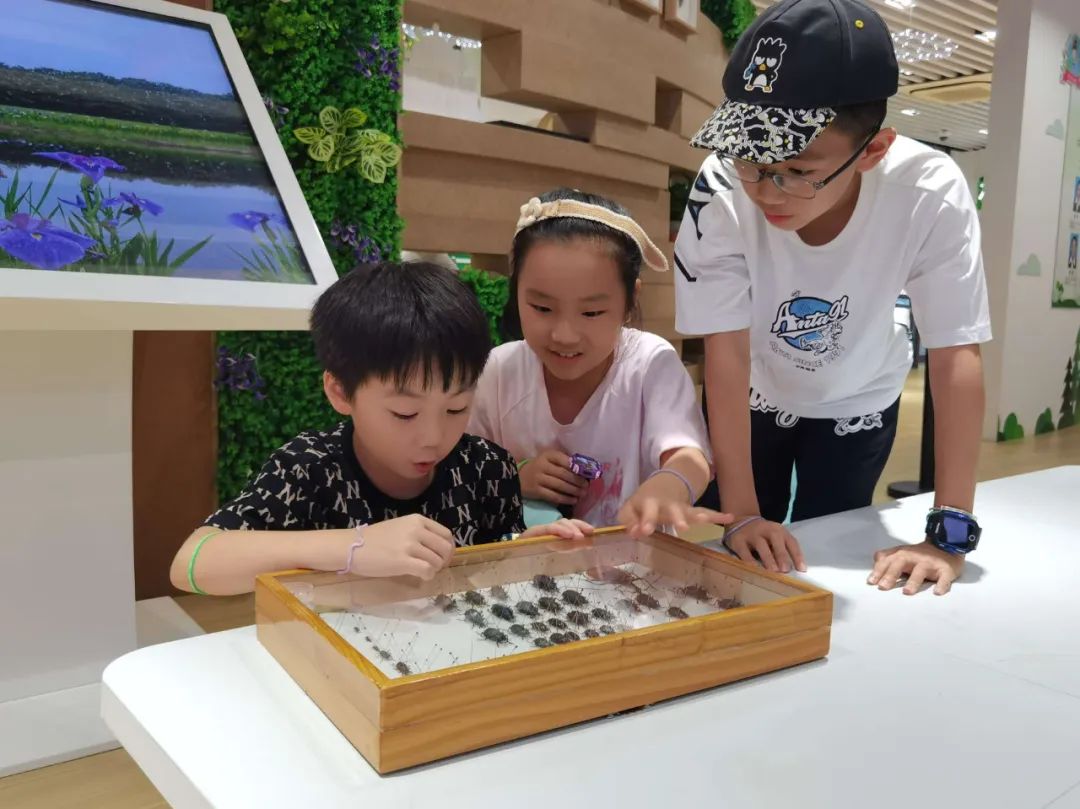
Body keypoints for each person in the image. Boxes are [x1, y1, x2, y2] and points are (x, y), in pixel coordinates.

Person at [675, 0, 990, 595]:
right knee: (742, 561)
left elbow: (955, 352)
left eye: (797, 169)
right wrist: (741, 513)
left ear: (873, 149)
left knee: (833, 549)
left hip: (861, 394)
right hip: (754, 390)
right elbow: (726, 349)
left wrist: (949, 535)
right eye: (751, 158)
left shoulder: (930, 191)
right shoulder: (721, 185)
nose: (766, 189)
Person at [171, 261, 591, 596]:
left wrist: (528, 550)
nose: (433, 438)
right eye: (404, 413)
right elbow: (192, 563)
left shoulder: (486, 468)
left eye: (456, 408)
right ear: (340, 392)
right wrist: (354, 546)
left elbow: (486, 573)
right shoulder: (307, 469)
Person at [468, 188, 730, 539]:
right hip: (527, 563)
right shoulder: (499, 370)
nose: (564, 335)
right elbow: (463, 469)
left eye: (591, 312)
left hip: (632, 563)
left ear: (630, 300)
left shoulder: (650, 364)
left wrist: (670, 485)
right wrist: (516, 476)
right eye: (542, 308)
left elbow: (690, 456)